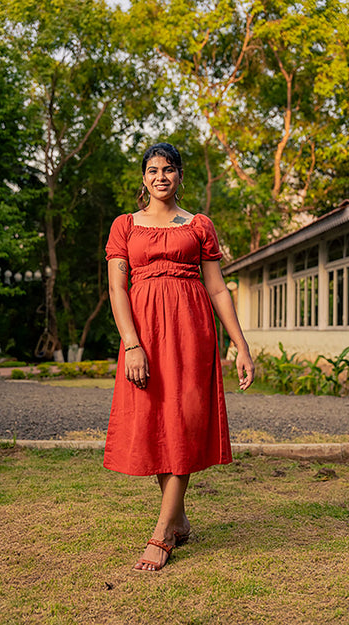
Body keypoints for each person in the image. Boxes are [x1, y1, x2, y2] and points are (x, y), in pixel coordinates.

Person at [105, 142, 254, 572]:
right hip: (144, 334)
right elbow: (117, 289)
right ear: (144, 177)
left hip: (192, 332)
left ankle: (163, 531)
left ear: (179, 175)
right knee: (155, 422)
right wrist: (132, 343)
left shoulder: (199, 225)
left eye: (168, 169)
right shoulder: (125, 226)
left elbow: (218, 288)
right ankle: (181, 518)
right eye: (152, 170)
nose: (160, 177)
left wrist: (240, 346)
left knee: (184, 421)